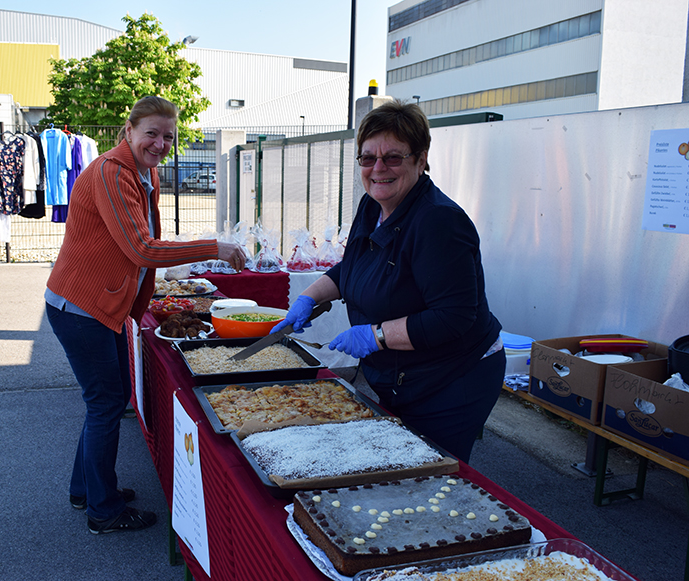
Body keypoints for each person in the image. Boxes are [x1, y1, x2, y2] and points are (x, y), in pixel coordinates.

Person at [45, 95, 246, 534]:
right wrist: (214, 246)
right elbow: (142, 248)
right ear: (129, 131)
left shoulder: (142, 170)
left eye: (168, 137)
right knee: (105, 405)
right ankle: (103, 509)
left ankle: (88, 489)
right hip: (82, 307)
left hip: (100, 304)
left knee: (106, 401)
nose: (160, 143)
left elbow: (140, 240)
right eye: (151, 133)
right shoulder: (112, 172)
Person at [272, 100, 505, 464]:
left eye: (393, 157)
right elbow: (352, 268)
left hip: (452, 377)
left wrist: (374, 335)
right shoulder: (372, 205)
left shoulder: (439, 222)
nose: (378, 168)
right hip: (400, 375)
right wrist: (307, 298)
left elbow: (454, 316)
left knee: (425, 470)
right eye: (368, 158)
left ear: (420, 158)